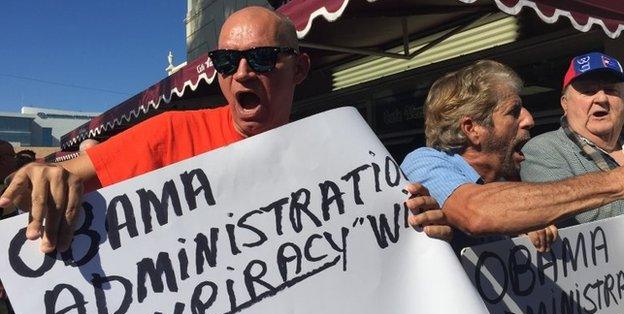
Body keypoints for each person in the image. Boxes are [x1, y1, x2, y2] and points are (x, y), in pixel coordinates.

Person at [0, 6, 449, 254]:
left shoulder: (339, 153)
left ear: (300, 68)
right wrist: (44, 174)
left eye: (261, 58)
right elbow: (62, 174)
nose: (242, 73)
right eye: (225, 62)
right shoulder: (170, 133)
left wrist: (422, 225)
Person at [401, 59, 624, 255]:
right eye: (513, 112)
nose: (529, 120)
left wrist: (523, 221)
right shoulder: (424, 162)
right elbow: (477, 212)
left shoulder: (504, 182)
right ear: (472, 129)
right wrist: (616, 181)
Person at [521, 52, 624, 227]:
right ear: (565, 104)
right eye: (588, 91)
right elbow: (584, 220)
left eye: (610, 90)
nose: (601, 98)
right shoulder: (542, 150)